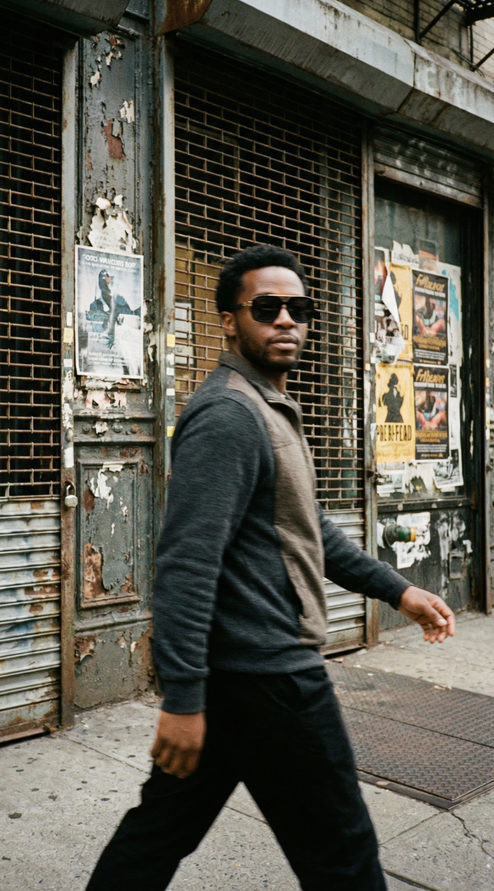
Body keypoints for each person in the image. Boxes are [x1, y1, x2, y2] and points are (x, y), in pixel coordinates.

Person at [86, 245, 455, 891]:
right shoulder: (230, 416)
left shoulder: (267, 406)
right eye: (266, 307)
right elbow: (186, 563)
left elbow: (310, 532)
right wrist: (182, 697)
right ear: (230, 321)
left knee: (154, 839)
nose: (286, 319)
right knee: (343, 856)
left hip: (239, 682)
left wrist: (398, 590)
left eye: (298, 308)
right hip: (270, 678)